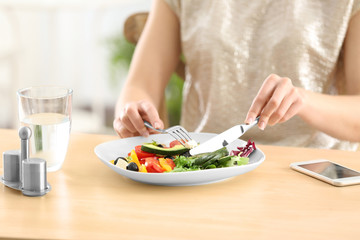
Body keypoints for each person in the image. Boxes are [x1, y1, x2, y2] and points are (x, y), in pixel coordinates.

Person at [113, 0, 360, 151]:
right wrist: (131, 112)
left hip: (309, 169)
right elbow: (140, 85)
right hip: (205, 164)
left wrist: (303, 100)